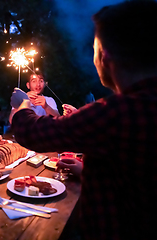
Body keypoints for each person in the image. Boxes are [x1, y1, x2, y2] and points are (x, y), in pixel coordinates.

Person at [10, 1, 157, 239]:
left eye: (95, 50)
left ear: (105, 57)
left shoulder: (116, 112)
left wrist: (23, 104)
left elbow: (32, 132)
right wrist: (85, 168)